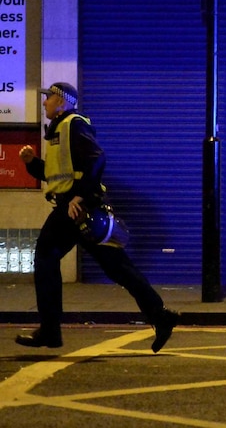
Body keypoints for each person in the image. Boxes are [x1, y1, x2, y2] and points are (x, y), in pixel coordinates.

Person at [15, 82, 178, 352]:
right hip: (76, 207)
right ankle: (160, 316)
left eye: (49, 98)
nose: (44, 103)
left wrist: (78, 197)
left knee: (45, 257)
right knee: (117, 267)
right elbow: (56, 175)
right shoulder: (57, 132)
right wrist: (32, 162)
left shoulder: (74, 124)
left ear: (62, 102)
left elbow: (97, 160)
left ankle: (50, 331)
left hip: (78, 207)